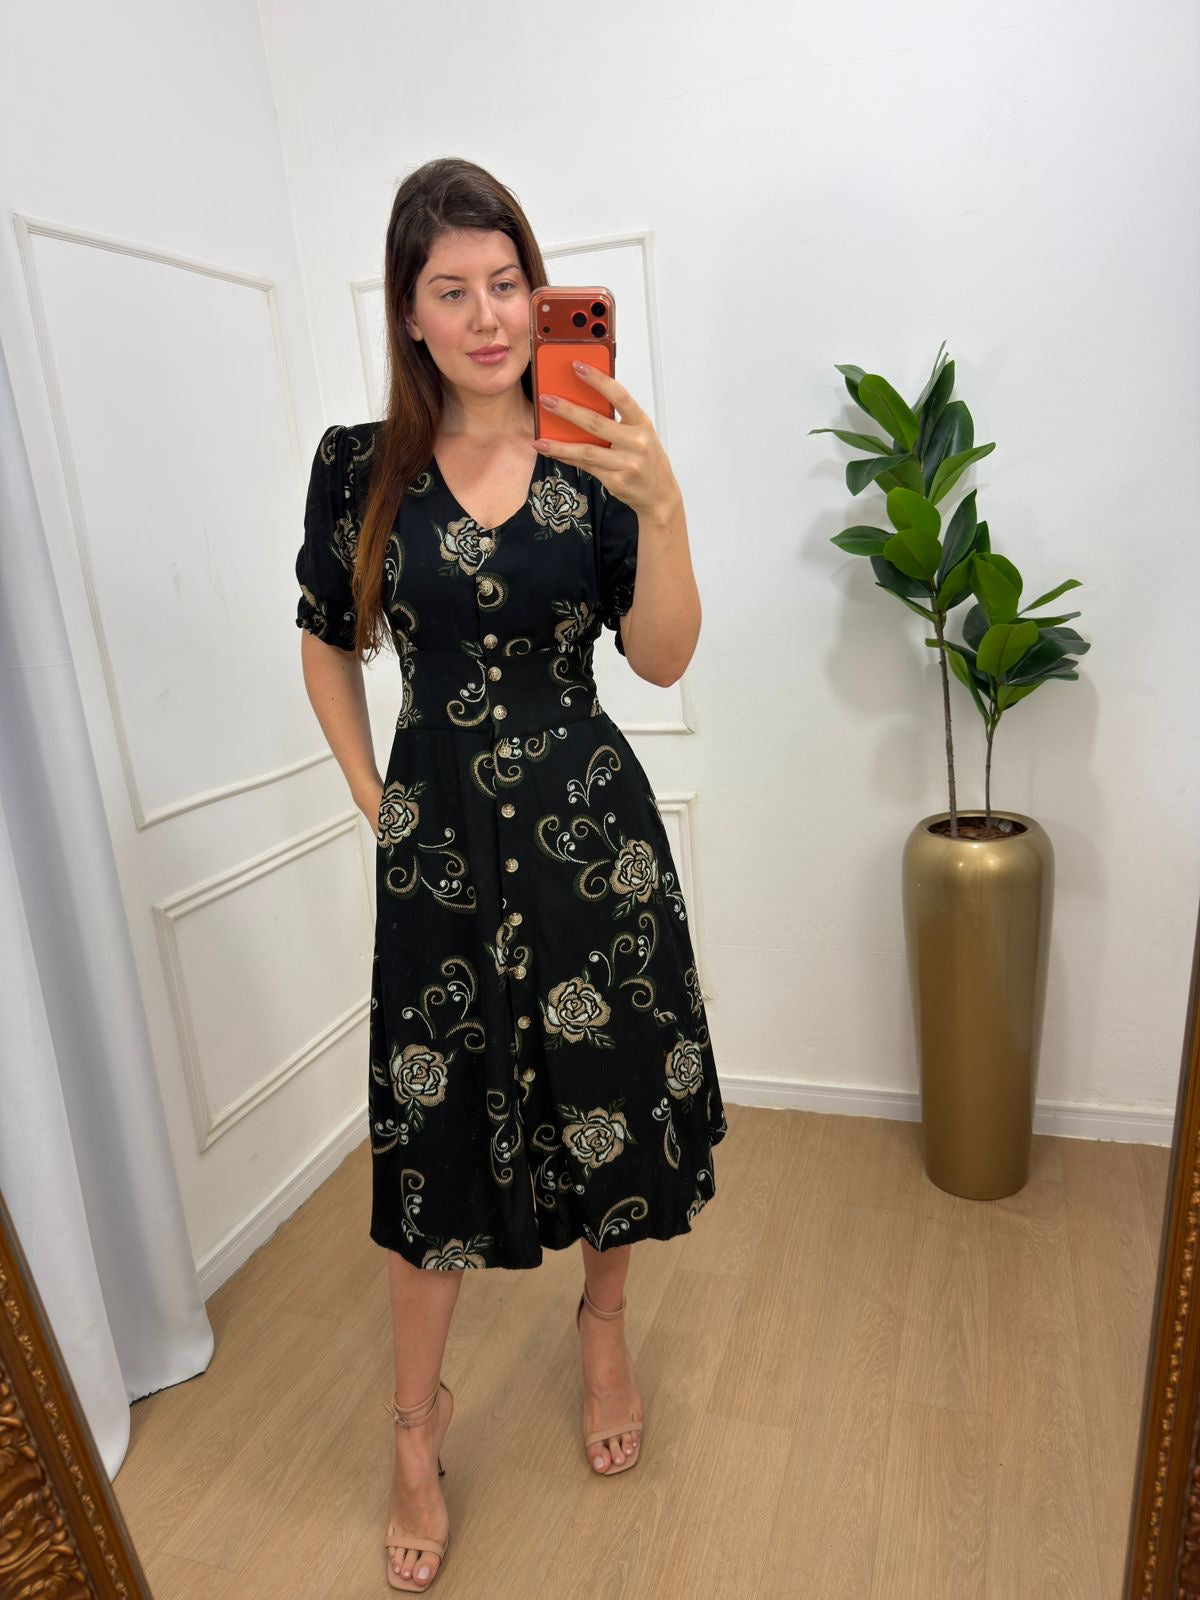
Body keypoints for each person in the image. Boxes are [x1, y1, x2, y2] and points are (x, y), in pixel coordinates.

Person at [294, 156, 728, 1592]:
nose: (488, 317)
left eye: (507, 283)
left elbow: (659, 657)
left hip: (590, 839)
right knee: (435, 1135)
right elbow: (325, 641)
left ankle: (602, 1332)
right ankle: (413, 1428)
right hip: (439, 861)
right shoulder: (360, 467)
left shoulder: (591, 449)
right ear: (409, 313)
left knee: (606, 1102)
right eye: (452, 290)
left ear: (541, 296)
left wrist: (662, 507)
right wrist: (377, 802)